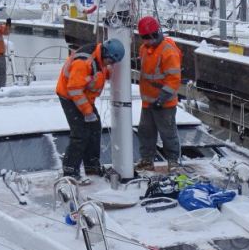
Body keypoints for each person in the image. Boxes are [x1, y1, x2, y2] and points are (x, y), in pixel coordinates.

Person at [55, 39, 125, 179]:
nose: (110, 65)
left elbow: (97, 73)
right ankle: (70, 170)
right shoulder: (83, 63)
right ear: (106, 54)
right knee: (80, 134)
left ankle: (91, 166)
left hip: (83, 96)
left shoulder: (100, 58)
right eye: (110, 62)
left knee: (94, 129)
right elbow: (74, 89)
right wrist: (87, 112)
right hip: (70, 97)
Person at [136, 15, 183, 172]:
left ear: (154, 34)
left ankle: (173, 162)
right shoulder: (144, 49)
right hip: (148, 101)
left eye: (146, 38)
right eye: (143, 38)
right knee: (146, 132)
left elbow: (173, 80)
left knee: (168, 133)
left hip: (165, 103)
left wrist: (161, 99)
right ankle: (147, 160)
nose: (145, 41)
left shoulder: (168, 52)